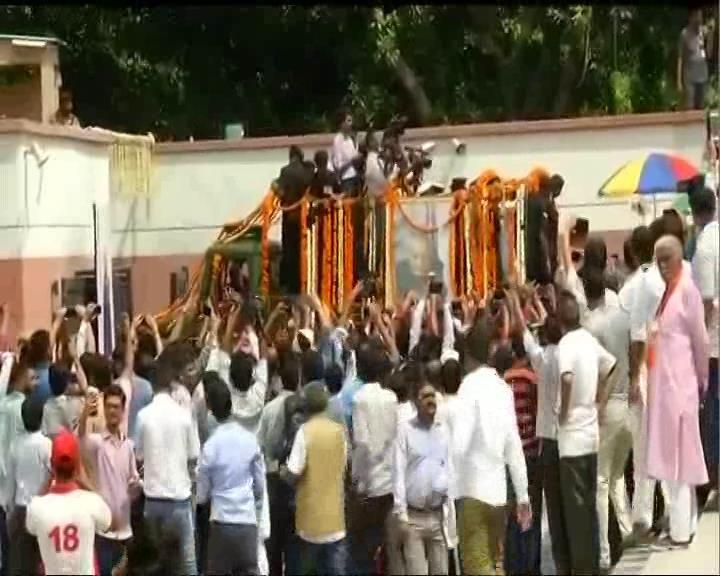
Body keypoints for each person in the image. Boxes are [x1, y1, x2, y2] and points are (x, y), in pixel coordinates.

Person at [646, 235, 710, 549]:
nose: (661, 266)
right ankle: (686, 524)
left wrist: (703, 378)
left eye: (666, 259)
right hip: (665, 387)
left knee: (678, 463)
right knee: (672, 461)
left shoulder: (687, 291)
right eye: (658, 260)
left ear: (678, 257)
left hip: (680, 386)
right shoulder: (668, 292)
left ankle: (681, 531)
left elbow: (700, 340)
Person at [453, 326, 531, 575]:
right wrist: (522, 495)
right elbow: (513, 445)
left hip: (472, 490)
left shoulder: (468, 387)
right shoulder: (502, 388)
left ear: (467, 354)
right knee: (495, 563)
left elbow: (460, 444)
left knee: (477, 564)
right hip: (499, 493)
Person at [557, 290, 617, 575]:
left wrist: (564, 411)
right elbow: (611, 365)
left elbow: (567, 377)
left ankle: (582, 568)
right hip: (591, 433)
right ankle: (592, 564)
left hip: (571, 439)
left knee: (576, 511)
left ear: (559, 320)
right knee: (589, 506)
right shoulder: (588, 340)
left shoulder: (566, 344)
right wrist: (599, 400)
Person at [582, 266, 634, 573]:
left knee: (601, 482)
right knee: (616, 478)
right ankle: (627, 531)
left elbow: (595, 372)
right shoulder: (625, 319)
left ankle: (603, 554)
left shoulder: (592, 326)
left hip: (606, 406)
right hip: (629, 403)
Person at [134, 347, 201, 576]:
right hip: (179, 502)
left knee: (155, 567)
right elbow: (194, 455)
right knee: (187, 566)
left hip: (153, 502)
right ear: (171, 384)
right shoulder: (184, 415)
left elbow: (139, 456)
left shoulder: (143, 416)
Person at [197, 375, 266, 575]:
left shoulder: (210, 447)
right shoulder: (249, 440)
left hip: (221, 523)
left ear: (210, 407)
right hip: (247, 523)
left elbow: (202, 496)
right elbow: (260, 488)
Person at [282, 381, 349, 576]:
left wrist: (282, 472)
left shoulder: (305, 432)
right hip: (336, 519)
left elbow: (294, 472)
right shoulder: (339, 432)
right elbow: (343, 466)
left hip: (309, 522)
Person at [26, 430, 112, 575]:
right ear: (77, 466)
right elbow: (107, 522)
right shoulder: (91, 501)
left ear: (52, 466)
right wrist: (84, 481)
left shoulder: (37, 507)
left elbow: (31, 526)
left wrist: (49, 479)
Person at [79, 384, 141, 576]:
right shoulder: (97, 443)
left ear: (123, 411)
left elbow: (134, 481)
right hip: (104, 532)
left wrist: (136, 487)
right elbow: (81, 438)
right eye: (109, 406)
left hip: (126, 530)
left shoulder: (129, 446)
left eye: (116, 407)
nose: (112, 411)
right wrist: (85, 415)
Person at [393, 377, 451, 576]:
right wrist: (401, 514)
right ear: (414, 401)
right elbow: (398, 472)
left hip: (437, 517)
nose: (430, 401)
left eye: (432, 396)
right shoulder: (405, 431)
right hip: (413, 519)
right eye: (425, 396)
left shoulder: (443, 431)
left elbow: (449, 467)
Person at [350, 334, 397, 574]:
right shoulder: (391, 398)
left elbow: (363, 444)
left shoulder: (360, 399)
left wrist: (357, 481)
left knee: (363, 552)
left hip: (370, 485)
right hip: (389, 483)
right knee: (386, 549)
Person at [689, 187, 719, 496]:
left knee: (713, 414)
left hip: (714, 344)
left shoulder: (705, 247)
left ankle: (715, 477)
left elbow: (707, 301)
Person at [0, 362, 39, 573]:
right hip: (21, 487)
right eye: (31, 377)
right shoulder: (24, 407)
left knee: (7, 550)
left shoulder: (3, 404)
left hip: (4, 488)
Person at [5, 397, 51, 575]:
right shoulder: (47, 445)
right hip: (42, 509)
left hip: (21, 508)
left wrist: (9, 511)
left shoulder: (15, 445)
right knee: (41, 563)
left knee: (19, 564)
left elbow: (10, 483)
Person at [276, 145, 314, 294]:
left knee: (289, 250)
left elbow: (280, 191)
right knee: (301, 250)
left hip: (289, 216)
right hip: (303, 217)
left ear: (291, 156)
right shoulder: (307, 173)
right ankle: (302, 282)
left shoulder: (285, 171)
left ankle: (289, 285)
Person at [678, 8, 712, 110]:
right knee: (689, 105)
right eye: (697, 16)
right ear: (691, 18)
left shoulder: (703, 32)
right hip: (690, 75)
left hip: (702, 74)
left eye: (700, 17)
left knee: (701, 106)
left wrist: (710, 37)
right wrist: (679, 81)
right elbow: (680, 58)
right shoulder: (684, 34)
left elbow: (709, 54)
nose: (699, 20)